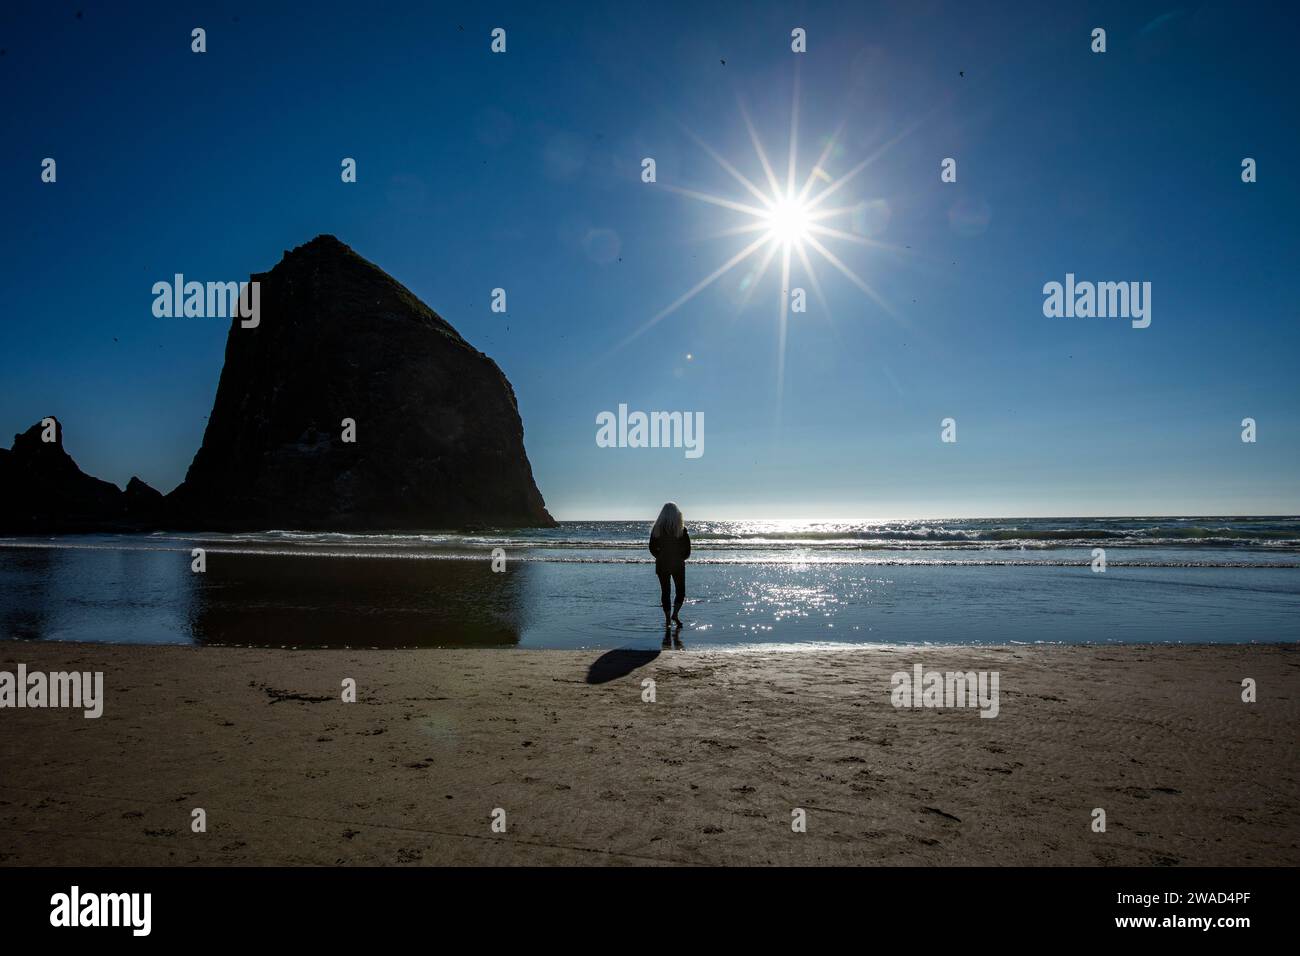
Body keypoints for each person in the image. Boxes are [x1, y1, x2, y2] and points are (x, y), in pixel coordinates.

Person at [648, 502, 691, 626]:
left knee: (665, 592)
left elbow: (652, 548)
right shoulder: (681, 529)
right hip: (678, 564)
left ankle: (667, 619)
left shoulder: (657, 529)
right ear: (677, 514)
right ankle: (675, 615)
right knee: (680, 591)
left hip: (662, 564)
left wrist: (660, 556)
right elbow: (687, 550)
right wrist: (681, 557)